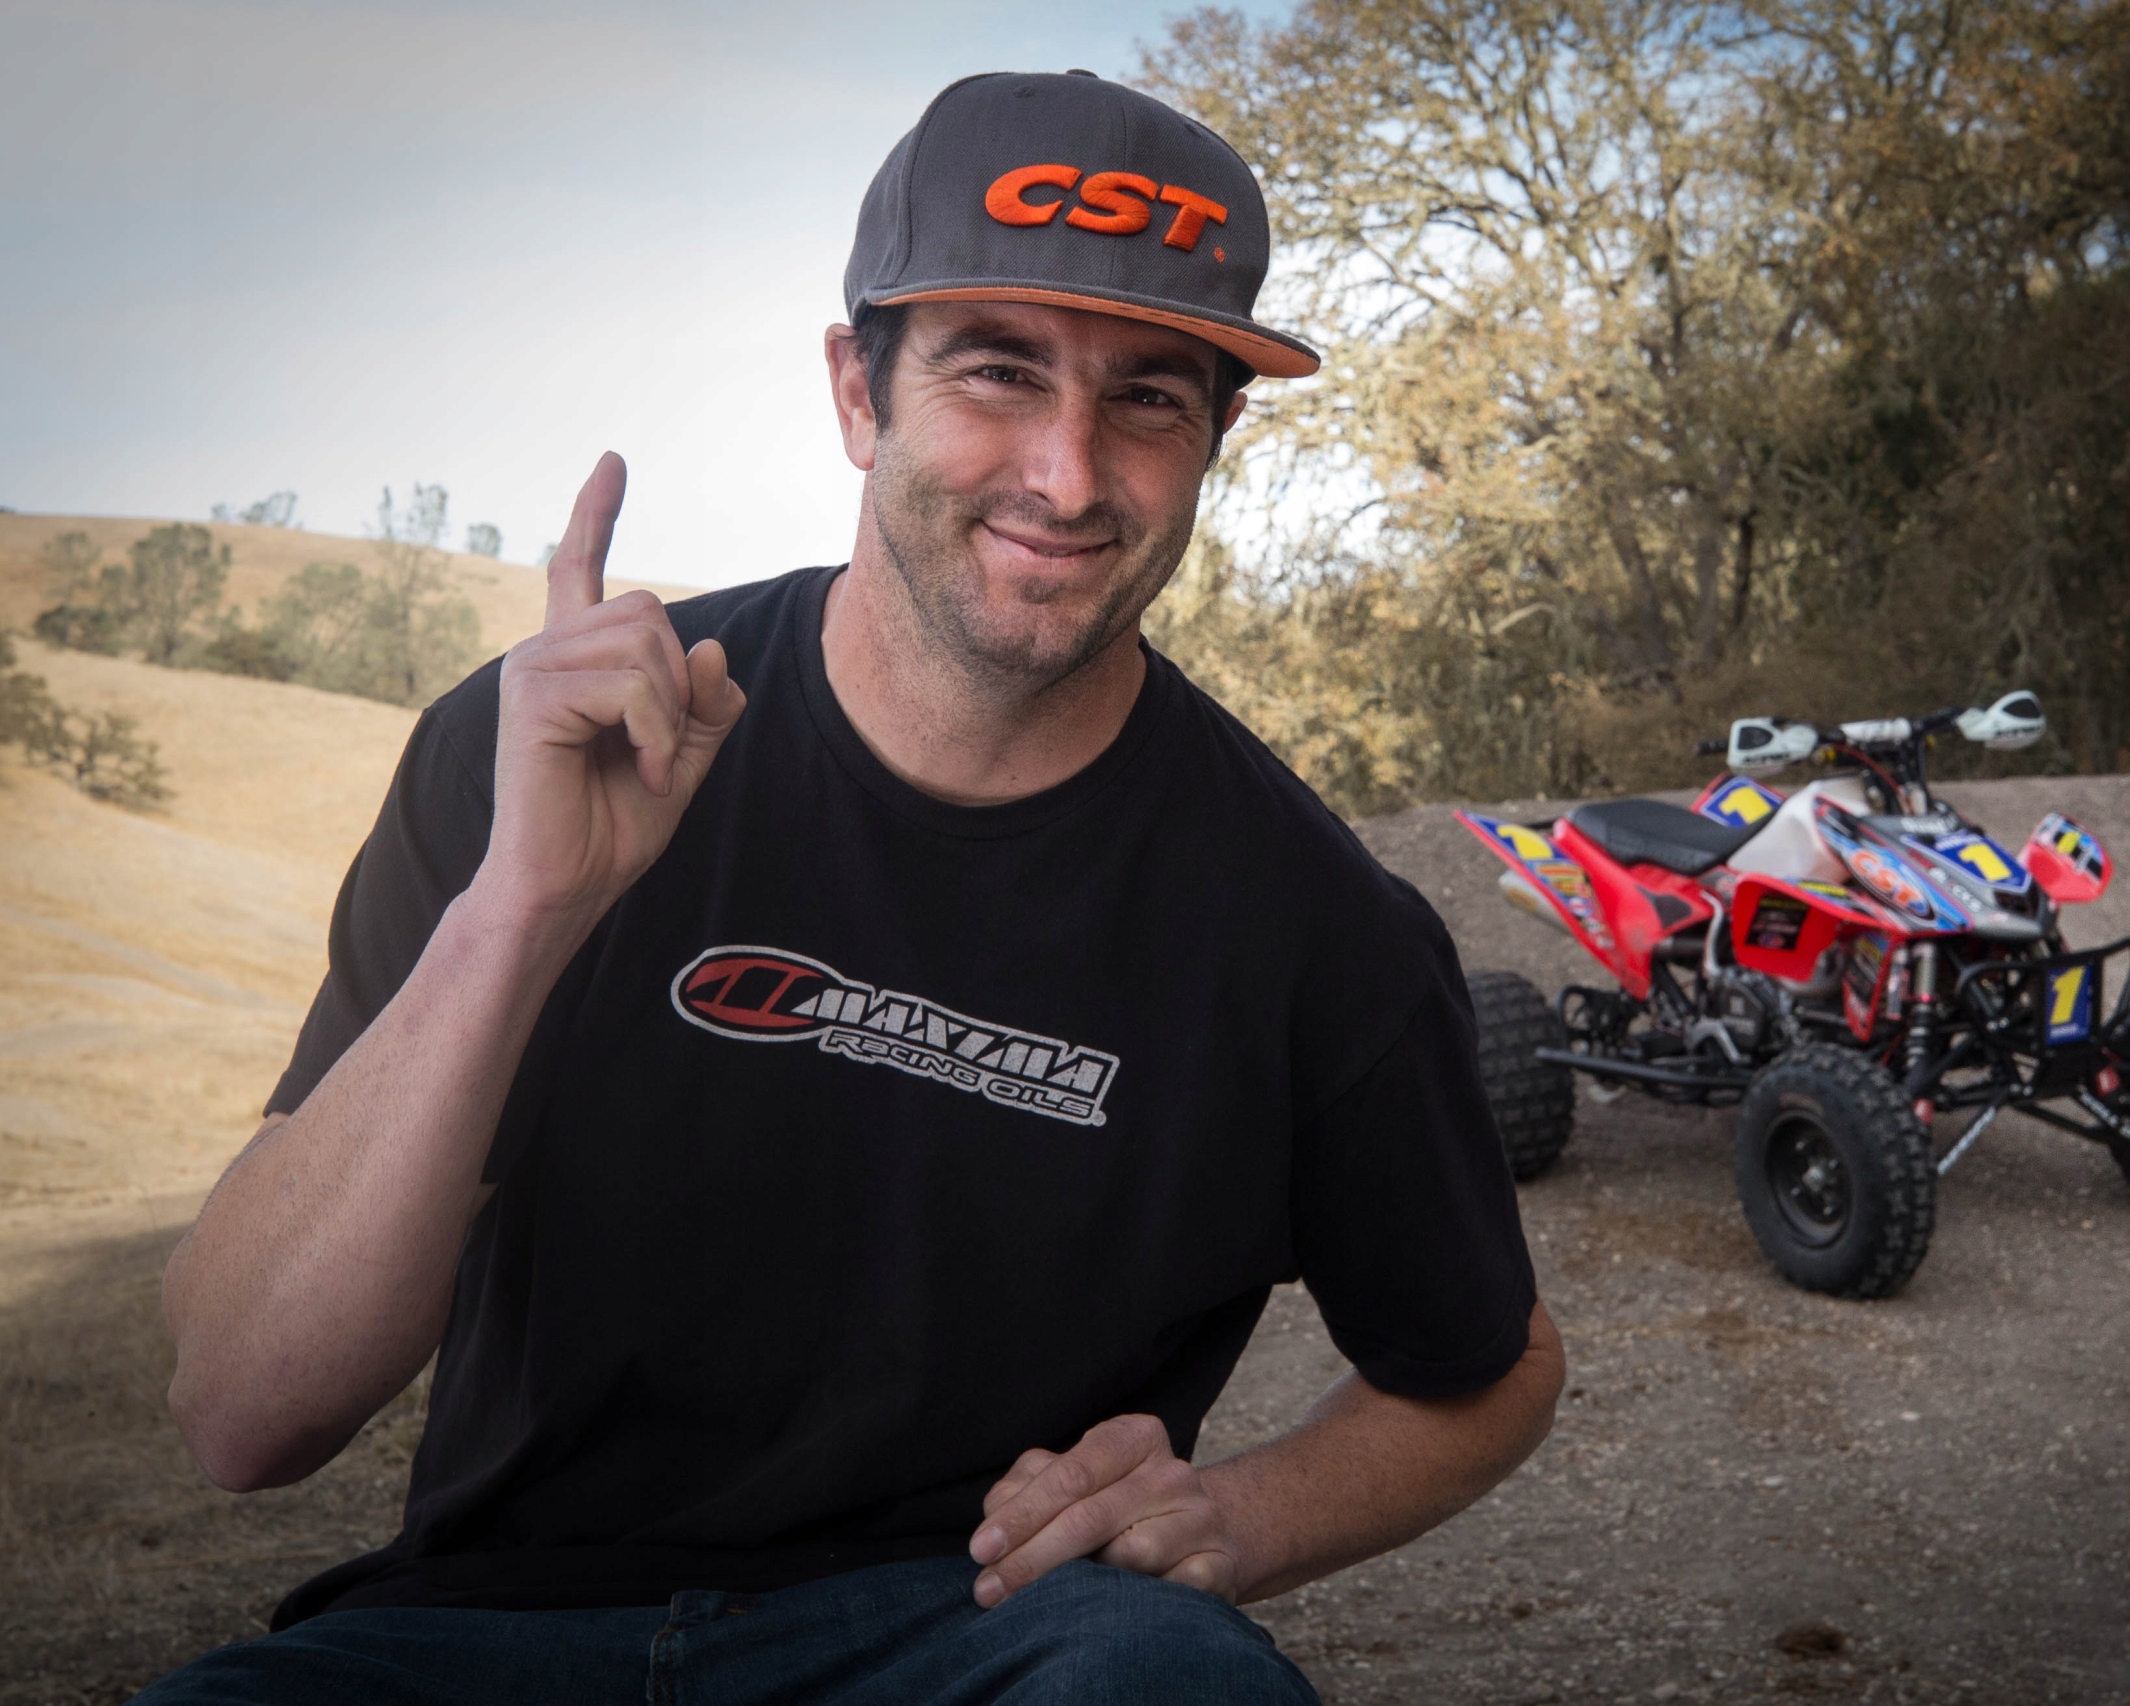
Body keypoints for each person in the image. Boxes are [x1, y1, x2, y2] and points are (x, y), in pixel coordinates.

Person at [141, 69, 1561, 1704]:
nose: (1069, 473)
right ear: (857, 391)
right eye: (999, 369)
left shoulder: (1310, 921)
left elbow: (1490, 1362)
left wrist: (1244, 1514)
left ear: (1215, 442)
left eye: (1150, 398)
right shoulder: (542, 758)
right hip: (491, 1630)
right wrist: (518, 916)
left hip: (988, 1631)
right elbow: (242, 1412)